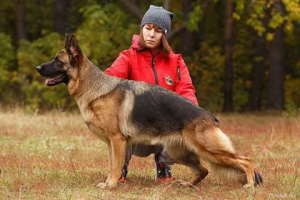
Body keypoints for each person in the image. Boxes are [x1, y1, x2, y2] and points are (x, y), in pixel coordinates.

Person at [105, 5, 198, 183]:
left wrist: (192, 118)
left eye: (157, 30)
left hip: (166, 131)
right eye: (147, 28)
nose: (151, 34)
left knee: (190, 131)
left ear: (164, 35)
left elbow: (186, 90)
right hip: (136, 132)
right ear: (142, 29)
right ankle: (120, 167)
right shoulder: (128, 56)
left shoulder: (176, 61)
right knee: (120, 125)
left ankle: (163, 163)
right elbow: (108, 81)